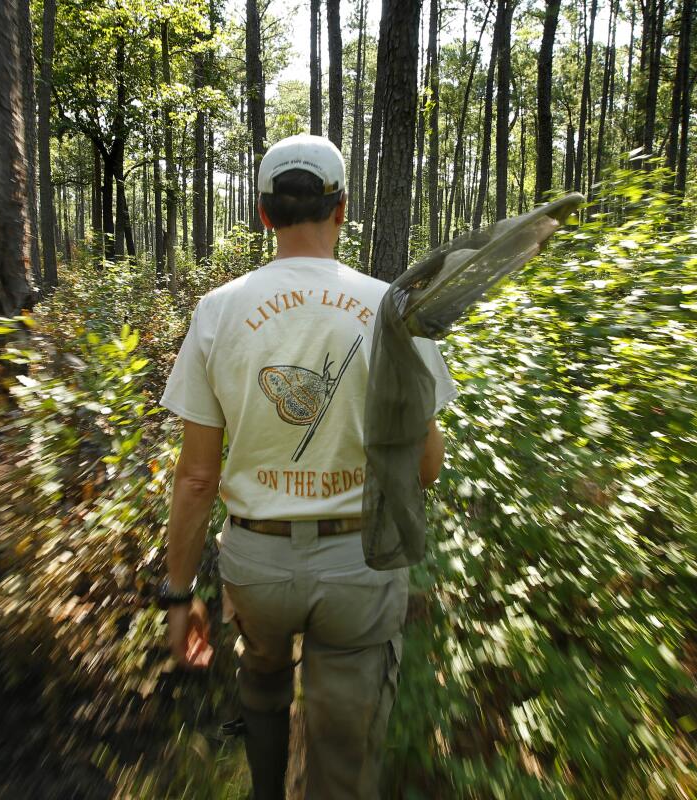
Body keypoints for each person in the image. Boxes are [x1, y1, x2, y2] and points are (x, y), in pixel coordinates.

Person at [157, 133, 458, 800]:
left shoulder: (218, 312)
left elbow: (198, 478)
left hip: (257, 566)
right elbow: (428, 468)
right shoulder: (393, 309)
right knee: (344, 754)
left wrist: (180, 598)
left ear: (263, 214)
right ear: (342, 209)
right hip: (357, 563)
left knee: (261, 684)